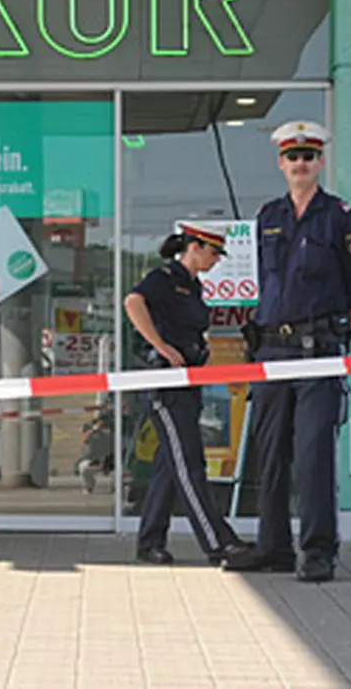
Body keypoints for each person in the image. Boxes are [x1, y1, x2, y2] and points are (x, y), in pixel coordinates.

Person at [224, 120, 351, 583]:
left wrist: (333, 341)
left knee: (312, 454)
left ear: (320, 162)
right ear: (281, 163)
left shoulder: (339, 215)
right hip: (272, 351)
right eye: (293, 156)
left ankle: (317, 550)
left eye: (308, 156)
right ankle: (273, 546)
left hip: (319, 350)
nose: (300, 164)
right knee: (269, 453)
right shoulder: (268, 216)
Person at [125, 223, 252, 566]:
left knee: (170, 465)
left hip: (187, 382)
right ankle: (217, 542)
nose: (216, 261)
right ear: (194, 247)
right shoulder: (166, 278)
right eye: (212, 253)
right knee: (190, 464)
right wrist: (161, 346)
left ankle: (150, 541)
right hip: (165, 383)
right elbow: (133, 302)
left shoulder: (193, 286)